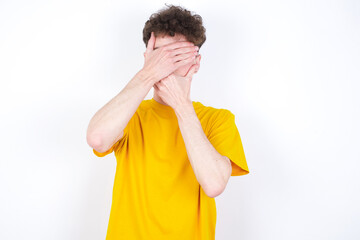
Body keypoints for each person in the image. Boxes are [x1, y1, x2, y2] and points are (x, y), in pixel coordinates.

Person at [86, 4, 249, 240]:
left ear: (196, 61)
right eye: (160, 55)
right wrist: (147, 74)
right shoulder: (131, 114)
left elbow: (214, 184)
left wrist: (181, 105)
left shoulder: (218, 119)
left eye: (177, 54)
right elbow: (97, 139)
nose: (167, 63)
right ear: (147, 58)